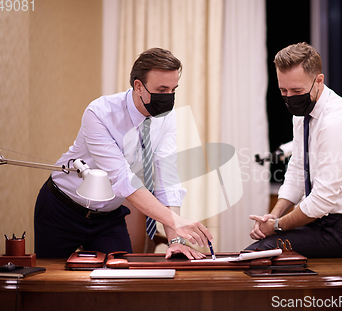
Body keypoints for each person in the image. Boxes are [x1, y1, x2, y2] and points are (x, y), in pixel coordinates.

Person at [34, 47, 212, 259]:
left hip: (108, 216)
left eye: (174, 90)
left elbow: (167, 178)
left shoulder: (165, 117)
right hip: (62, 208)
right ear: (138, 86)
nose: (169, 97)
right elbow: (123, 179)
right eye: (162, 89)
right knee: (50, 282)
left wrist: (175, 239)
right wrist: (177, 221)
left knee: (122, 278)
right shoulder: (100, 113)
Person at [247, 42, 342, 258]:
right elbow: (297, 171)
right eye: (283, 91)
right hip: (321, 221)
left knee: (262, 252)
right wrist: (273, 216)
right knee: (258, 252)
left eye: (296, 90)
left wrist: (277, 225)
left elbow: (322, 201)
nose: (289, 98)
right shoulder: (304, 114)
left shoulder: (334, 122)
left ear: (319, 81)